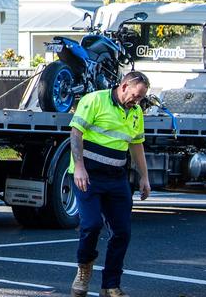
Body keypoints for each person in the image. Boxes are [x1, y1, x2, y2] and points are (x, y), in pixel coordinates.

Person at [69, 71, 152, 297]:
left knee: (122, 232)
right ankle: (84, 268)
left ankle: (110, 285)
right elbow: (76, 134)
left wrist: (144, 176)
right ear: (124, 86)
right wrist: (79, 166)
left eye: (141, 98)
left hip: (116, 178)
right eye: (135, 95)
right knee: (91, 225)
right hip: (88, 176)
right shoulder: (94, 100)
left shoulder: (135, 113)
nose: (137, 101)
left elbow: (137, 145)